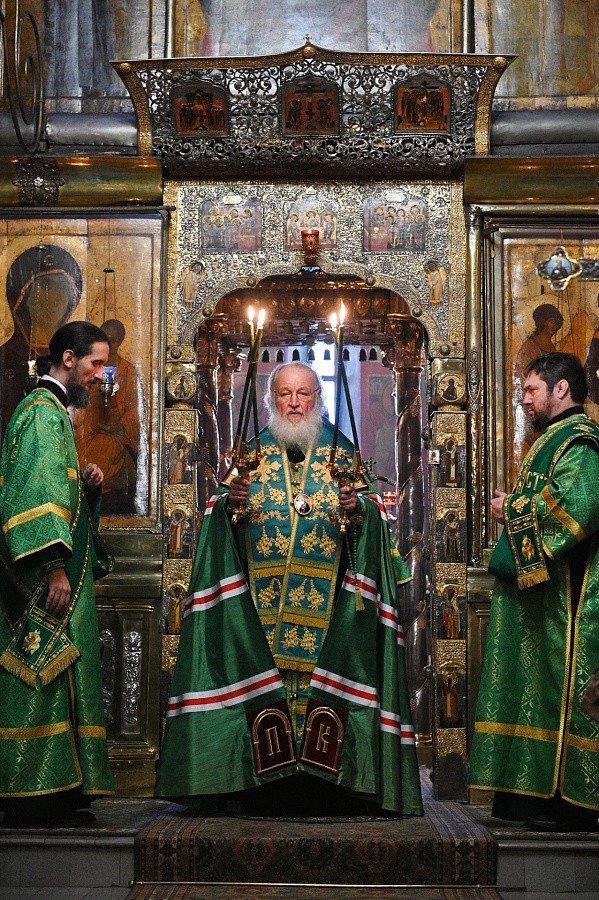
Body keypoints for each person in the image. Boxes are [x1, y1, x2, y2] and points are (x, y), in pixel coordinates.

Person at [155, 362, 423, 817]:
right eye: (285, 394)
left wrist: (359, 509)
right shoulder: (250, 456)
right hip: (259, 613)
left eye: (303, 393)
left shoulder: (342, 454)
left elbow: (374, 518)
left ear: (318, 398)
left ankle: (328, 786)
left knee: (321, 692)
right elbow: (218, 516)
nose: (295, 403)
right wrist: (228, 506)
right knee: (269, 690)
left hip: (330, 613)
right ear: (271, 400)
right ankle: (263, 786)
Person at [470, 352, 599, 832]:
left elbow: (577, 510)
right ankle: (529, 795)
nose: (524, 399)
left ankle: (570, 803)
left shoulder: (581, 442)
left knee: (556, 688)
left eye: (531, 389)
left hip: (570, 599)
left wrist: (512, 509)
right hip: (544, 594)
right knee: (533, 688)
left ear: (561, 389)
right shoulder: (553, 439)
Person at [0, 321, 114, 828]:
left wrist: (87, 487)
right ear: (69, 359)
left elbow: (58, 492)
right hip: (44, 577)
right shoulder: (43, 414)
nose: (101, 374)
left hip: (54, 572)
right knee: (42, 673)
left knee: (59, 672)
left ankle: (62, 790)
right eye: (96, 363)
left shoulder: (52, 413)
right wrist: (53, 569)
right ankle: (34, 797)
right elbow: (34, 496)